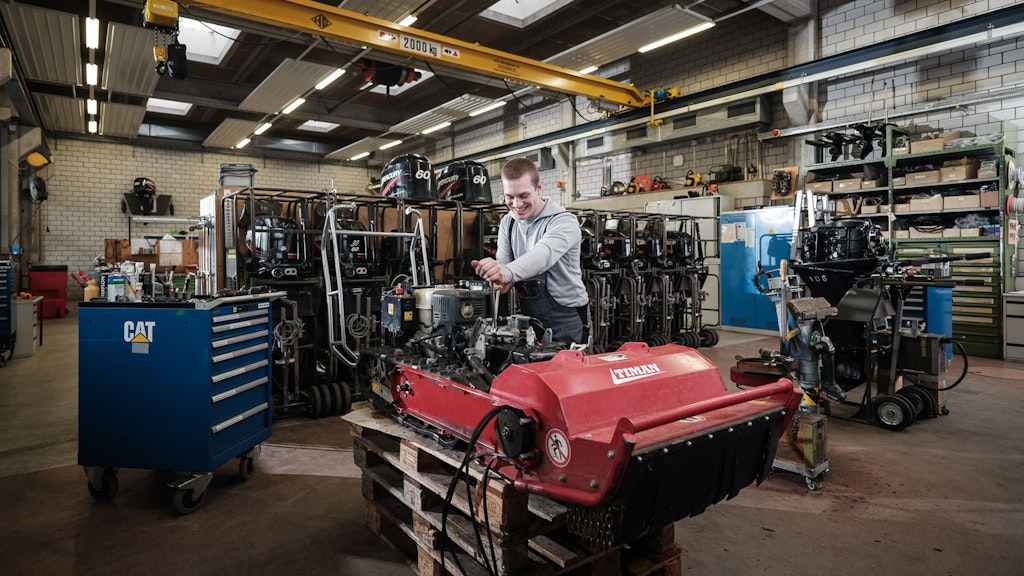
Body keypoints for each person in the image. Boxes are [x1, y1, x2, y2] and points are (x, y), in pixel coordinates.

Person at [471, 157, 590, 345]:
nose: (517, 204)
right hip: (529, 319)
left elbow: (542, 257)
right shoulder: (508, 223)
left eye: (524, 195)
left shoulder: (564, 221)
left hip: (567, 317)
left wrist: (505, 272)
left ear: (539, 188)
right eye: (510, 197)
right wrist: (499, 280)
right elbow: (505, 269)